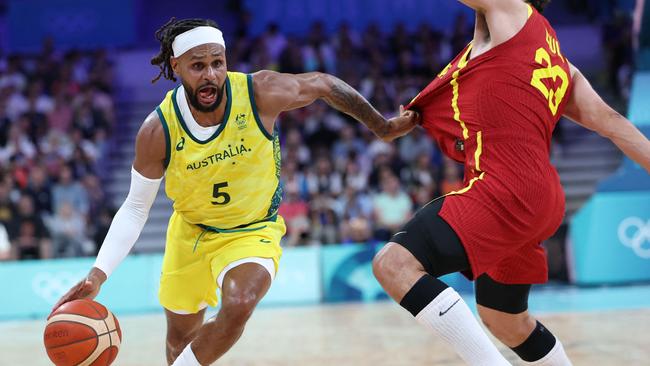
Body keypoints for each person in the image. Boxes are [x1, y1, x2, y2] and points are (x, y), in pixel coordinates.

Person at [51, 18, 418, 366]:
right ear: (176, 66)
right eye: (198, 66)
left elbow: (323, 84)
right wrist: (97, 275)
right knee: (180, 342)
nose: (211, 75)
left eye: (217, 63)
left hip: (252, 230)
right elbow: (134, 208)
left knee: (239, 302)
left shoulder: (260, 92)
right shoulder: (157, 130)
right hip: (191, 233)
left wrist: (381, 126)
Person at [372, 1, 650, 366]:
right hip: (540, 195)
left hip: (504, 188)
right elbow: (614, 123)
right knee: (505, 319)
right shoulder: (558, 63)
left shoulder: (511, 10)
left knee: (394, 264)